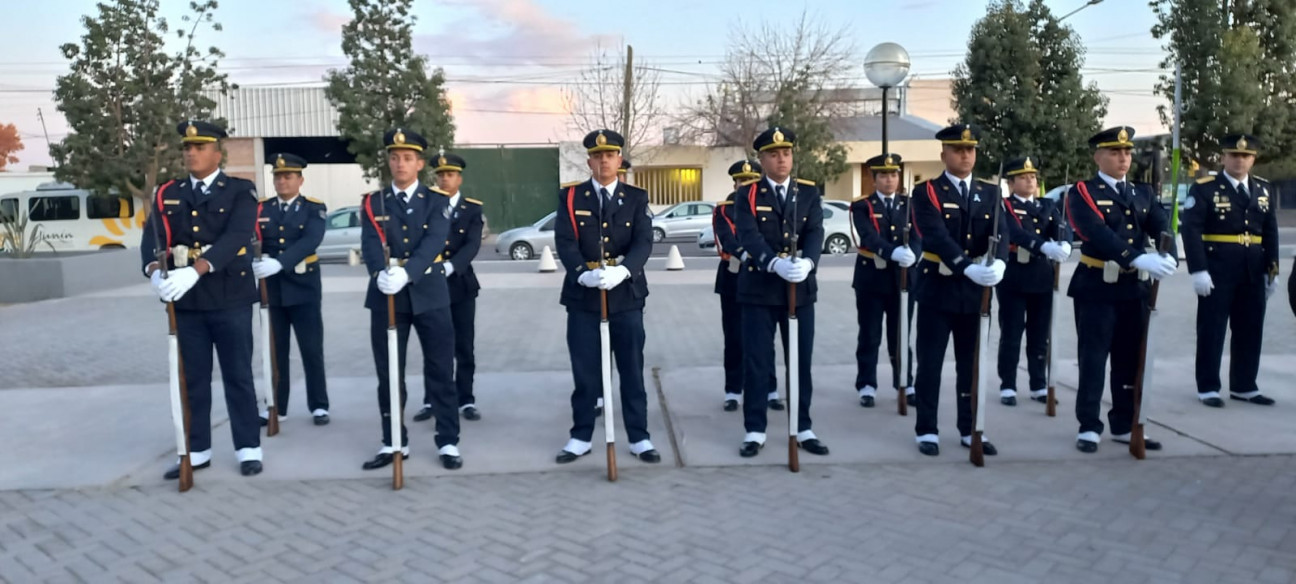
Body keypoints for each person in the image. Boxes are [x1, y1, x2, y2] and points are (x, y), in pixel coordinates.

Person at [141, 120, 263, 478]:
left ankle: (248, 447)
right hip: (187, 302)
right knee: (192, 378)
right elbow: (153, 237)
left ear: (217, 152)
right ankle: (197, 450)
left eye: (199, 147)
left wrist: (197, 268)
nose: (191, 153)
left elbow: (238, 235)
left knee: (237, 375)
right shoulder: (168, 192)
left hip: (229, 296)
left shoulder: (241, 190)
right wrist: (152, 271)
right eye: (187, 148)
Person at [1066, 126, 1178, 453]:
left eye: (1127, 153)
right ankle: (1088, 425)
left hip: (1133, 290)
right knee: (1093, 358)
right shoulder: (1083, 192)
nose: (1123, 158)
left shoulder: (1142, 193)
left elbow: (1160, 225)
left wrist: (1169, 253)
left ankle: (1124, 423)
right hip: (1098, 286)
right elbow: (1097, 233)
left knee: (1130, 359)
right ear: (1098, 156)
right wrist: (1139, 257)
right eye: (1115, 152)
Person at [553, 129, 661, 465]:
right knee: (585, 371)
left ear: (619, 160)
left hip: (625, 295)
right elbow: (565, 241)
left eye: (610, 155)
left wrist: (624, 270)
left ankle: (639, 436)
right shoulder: (571, 198)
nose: (604, 161)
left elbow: (644, 242)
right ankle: (581, 435)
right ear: (589, 161)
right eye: (598, 156)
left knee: (631, 368)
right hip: (584, 296)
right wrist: (580, 273)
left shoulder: (636, 197)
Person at [358, 128, 462, 471]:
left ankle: (447, 440)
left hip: (429, 292)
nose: (399, 163)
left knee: (440, 370)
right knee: (388, 373)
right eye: (393, 157)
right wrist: (378, 273)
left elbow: (434, 241)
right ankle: (393, 441)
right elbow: (371, 243)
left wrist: (409, 272)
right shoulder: (373, 202)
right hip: (386, 296)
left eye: (406, 158)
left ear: (419, 163)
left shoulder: (437, 200)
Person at [909, 124, 1009, 457]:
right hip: (938, 288)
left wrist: (1000, 264)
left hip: (976, 291)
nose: (965, 155)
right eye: (957, 150)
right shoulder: (927, 193)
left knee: (972, 364)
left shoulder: (990, 193)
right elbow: (934, 235)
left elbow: (1002, 233)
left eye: (970, 149)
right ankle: (926, 429)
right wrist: (966, 266)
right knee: (931, 363)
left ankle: (969, 427)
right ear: (944, 155)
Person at [733, 126, 829, 458]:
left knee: (800, 361)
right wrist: (772, 263)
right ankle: (755, 430)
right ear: (762, 159)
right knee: (758, 363)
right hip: (759, 290)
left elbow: (815, 231)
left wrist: (809, 263)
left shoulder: (808, 193)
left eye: (786, 153)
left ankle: (802, 426)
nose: (781, 159)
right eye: (774, 154)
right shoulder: (746, 196)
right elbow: (748, 235)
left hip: (799, 292)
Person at [1180, 134, 1280, 408]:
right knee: (1212, 328)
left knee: (1250, 327)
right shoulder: (1205, 188)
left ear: (1253, 159)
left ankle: (1244, 385)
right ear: (1223, 158)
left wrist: (1273, 270)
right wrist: (1198, 270)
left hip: (1252, 268)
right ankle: (1208, 386)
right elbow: (1190, 229)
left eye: (1245, 156)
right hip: (1217, 268)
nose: (1240, 160)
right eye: (1234, 155)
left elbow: (1270, 232)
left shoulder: (1263, 189)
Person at [253, 152, 330, 426]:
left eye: (288, 176)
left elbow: (311, 240)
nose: (282, 181)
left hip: (304, 287)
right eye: (278, 176)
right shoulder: (262, 208)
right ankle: (277, 407)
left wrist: (280, 262)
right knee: (276, 351)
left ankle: (319, 405)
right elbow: (252, 238)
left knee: (311, 348)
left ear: (300, 180)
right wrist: (255, 260)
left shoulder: (313, 207)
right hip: (272, 290)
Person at [413, 150, 486, 423]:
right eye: (441, 175)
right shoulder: (426, 204)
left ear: (459, 178)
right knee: (434, 346)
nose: (445, 179)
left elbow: (473, 244)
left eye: (450, 174)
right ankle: (432, 399)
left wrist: (451, 265)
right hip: (430, 284)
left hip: (460, 284)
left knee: (464, 345)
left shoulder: (471, 208)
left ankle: (465, 399)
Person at [996, 156, 1071, 407]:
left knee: (1040, 334)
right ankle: (1007, 384)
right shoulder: (1004, 206)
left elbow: (1063, 228)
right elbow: (1014, 232)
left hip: (1042, 275)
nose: (1030, 181)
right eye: (1024, 177)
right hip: (1014, 275)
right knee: (1012, 332)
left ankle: (1038, 384)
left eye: (1033, 177)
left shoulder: (1048, 205)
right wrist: (1043, 245)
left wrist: (1065, 243)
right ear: (1011, 183)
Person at [850, 153, 919, 408]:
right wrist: (892, 252)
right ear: (873, 178)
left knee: (901, 334)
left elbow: (919, 235)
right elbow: (868, 236)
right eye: (883, 175)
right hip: (871, 280)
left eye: (893, 174)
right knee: (869, 334)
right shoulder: (863, 206)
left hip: (903, 279)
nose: (890, 180)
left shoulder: (910, 205)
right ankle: (867, 384)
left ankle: (905, 381)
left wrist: (914, 254)